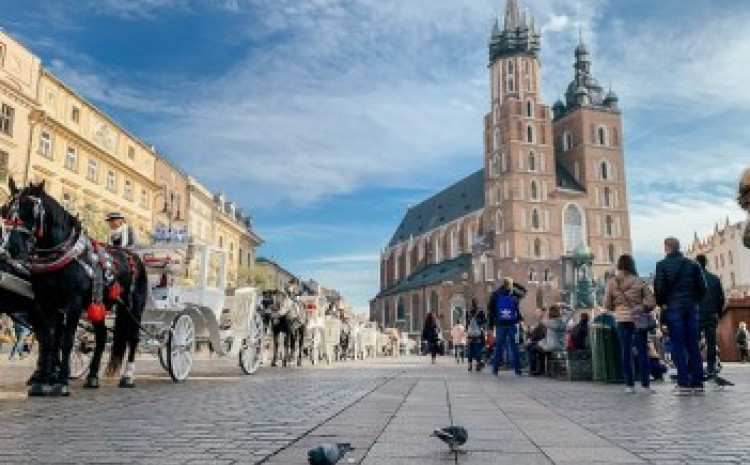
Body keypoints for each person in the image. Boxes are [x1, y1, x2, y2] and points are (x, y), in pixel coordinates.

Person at [654, 237, 707, 395]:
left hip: (674, 309)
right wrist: (694, 300)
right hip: (691, 308)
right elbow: (703, 288)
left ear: (666, 248)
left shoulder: (662, 265)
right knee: (693, 344)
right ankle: (697, 382)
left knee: (678, 345)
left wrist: (664, 303)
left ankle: (683, 383)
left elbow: (659, 289)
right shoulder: (693, 264)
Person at [604, 254, 657, 394]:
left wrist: (618, 307)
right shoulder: (639, 281)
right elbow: (651, 301)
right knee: (642, 352)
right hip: (638, 319)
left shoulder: (612, 283)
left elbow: (607, 305)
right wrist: (641, 307)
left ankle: (629, 385)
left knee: (625, 352)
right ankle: (645, 385)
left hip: (621, 319)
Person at [695, 254, 725, 377]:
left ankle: (696, 366)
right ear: (706, 263)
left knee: (695, 341)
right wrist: (719, 313)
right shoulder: (715, 278)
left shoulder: (693, 279)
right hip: (712, 314)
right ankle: (711, 366)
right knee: (711, 342)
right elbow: (721, 298)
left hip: (697, 314)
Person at [488, 277, 522, 376]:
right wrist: (518, 320)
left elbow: (491, 311)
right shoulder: (514, 295)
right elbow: (516, 309)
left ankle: (495, 369)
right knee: (514, 346)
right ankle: (517, 370)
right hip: (511, 324)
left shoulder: (495, 294)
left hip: (500, 324)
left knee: (498, 347)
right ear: (510, 284)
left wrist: (490, 326)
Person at [532, 305, 566, 375]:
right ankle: (548, 370)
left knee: (534, 348)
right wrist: (564, 306)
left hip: (550, 346)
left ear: (550, 314)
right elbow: (572, 311)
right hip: (561, 346)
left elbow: (541, 318)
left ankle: (538, 369)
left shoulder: (548, 322)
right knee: (541, 348)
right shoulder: (562, 322)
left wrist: (545, 312)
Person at [465, 299, 487, 372]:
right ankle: (478, 364)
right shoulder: (480, 311)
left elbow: (467, 322)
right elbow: (484, 321)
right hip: (478, 334)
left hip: (470, 334)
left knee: (470, 350)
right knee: (478, 349)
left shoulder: (468, 312)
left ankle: (470, 365)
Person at [526, 308, 547, 375]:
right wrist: (529, 332)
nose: (537, 314)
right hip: (540, 342)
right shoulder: (537, 322)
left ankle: (533, 369)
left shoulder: (544, 322)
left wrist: (531, 339)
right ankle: (539, 369)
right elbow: (533, 334)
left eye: (538, 312)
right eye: (536, 312)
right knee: (530, 346)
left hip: (544, 342)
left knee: (531, 348)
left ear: (542, 313)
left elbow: (541, 334)